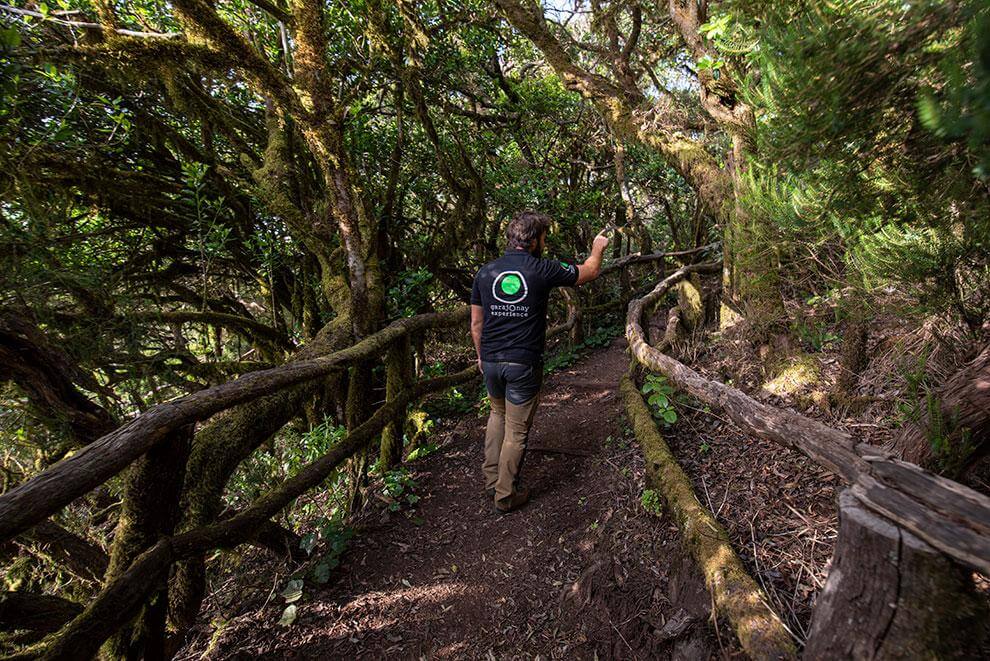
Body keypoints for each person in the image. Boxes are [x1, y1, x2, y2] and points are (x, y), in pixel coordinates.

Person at [470, 210, 610, 514]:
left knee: (497, 414)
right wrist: (598, 247)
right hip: (523, 363)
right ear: (534, 241)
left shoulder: (485, 272)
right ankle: (506, 495)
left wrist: (482, 356)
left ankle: (492, 479)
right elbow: (589, 271)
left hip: (491, 360)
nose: (545, 242)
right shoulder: (542, 269)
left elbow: (476, 324)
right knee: (517, 430)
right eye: (544, 237)